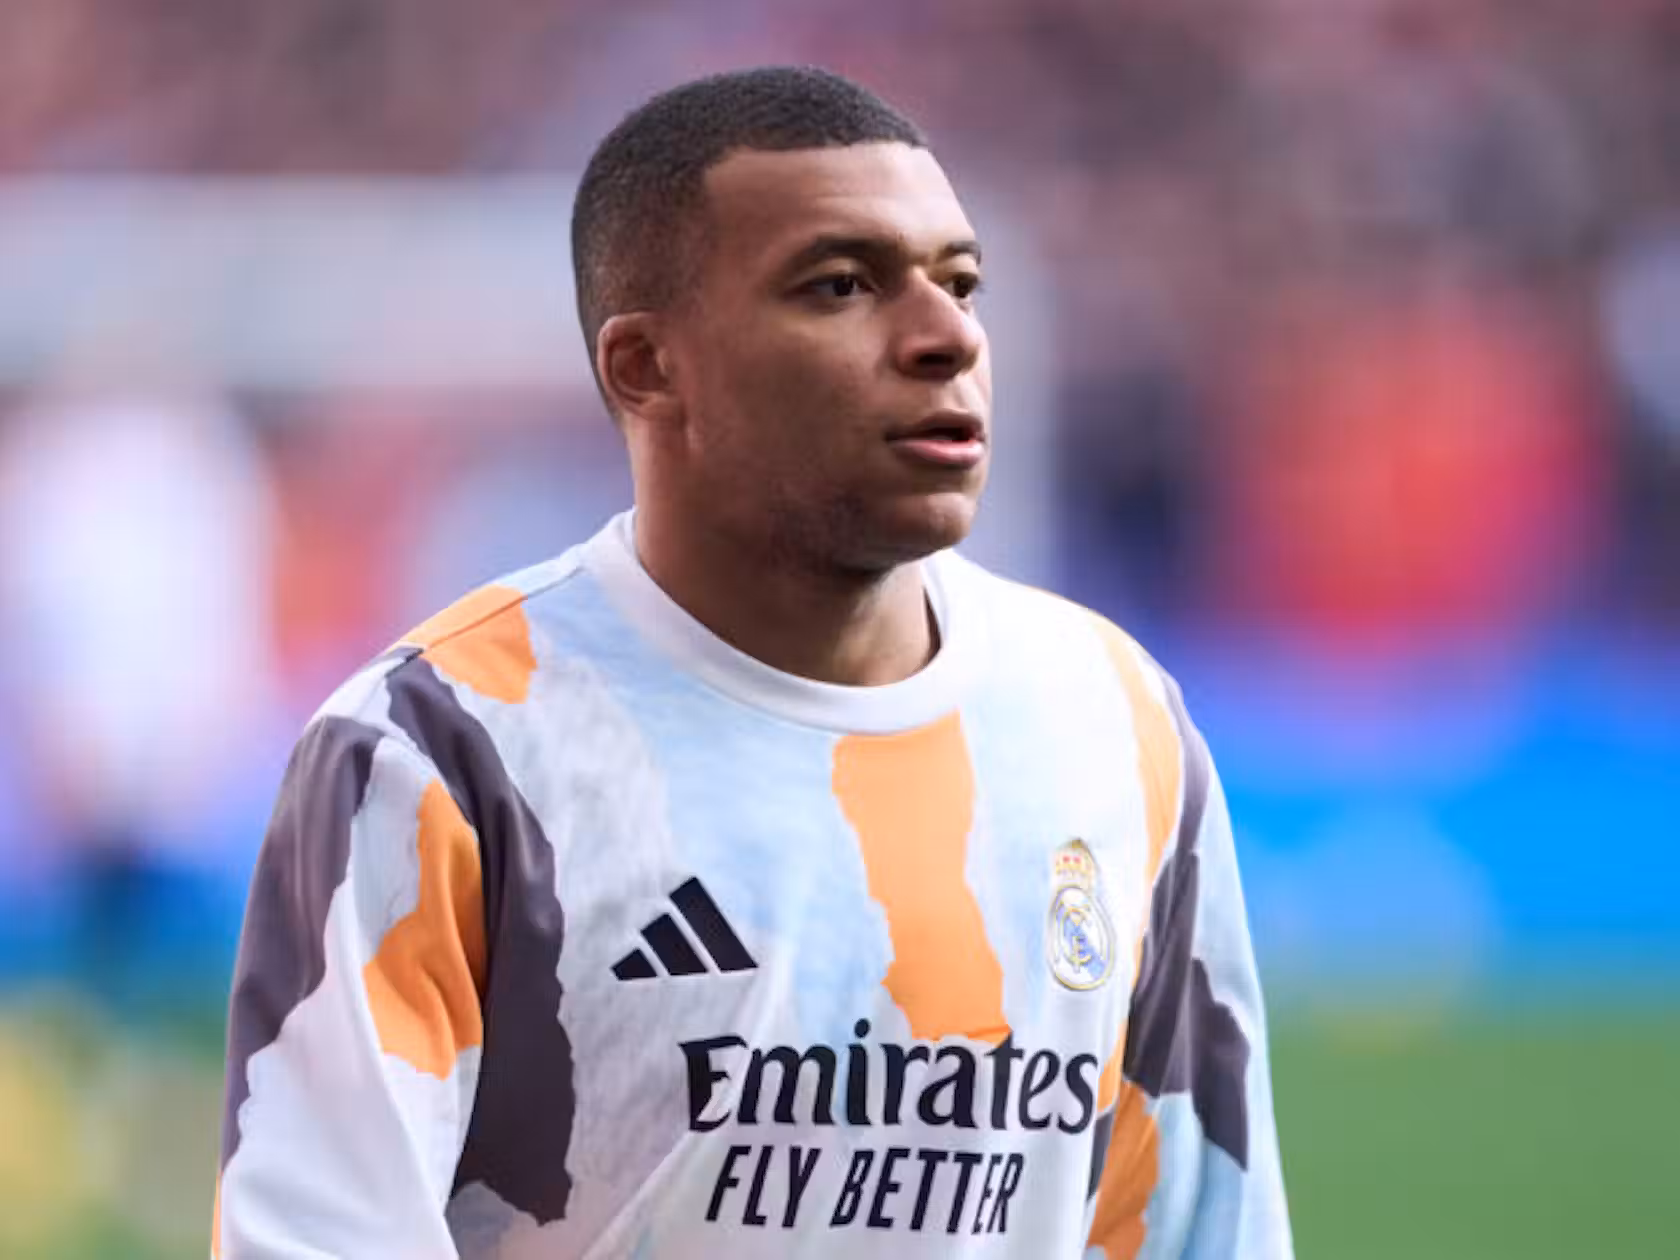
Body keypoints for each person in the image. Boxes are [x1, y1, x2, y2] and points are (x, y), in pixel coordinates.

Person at [213, 66, 1292, 1259]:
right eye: (841, 285)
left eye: (960, 282)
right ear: (646, 367)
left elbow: (1205, 1232)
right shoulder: (441, 751)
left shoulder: (1114, 722)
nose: (947, 338)